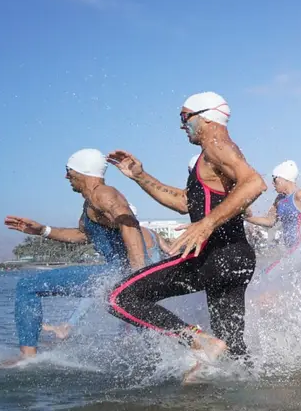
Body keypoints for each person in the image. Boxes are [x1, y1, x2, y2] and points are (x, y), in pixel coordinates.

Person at [107, 92, 267, 366]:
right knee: (232, 349)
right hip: (236, 258)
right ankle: (244, 391)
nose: (183, 126)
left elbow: (254, 183)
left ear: (205, 117)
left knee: (120, 298)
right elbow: (184, 202)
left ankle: (195, 339)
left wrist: (206, 224)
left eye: (185, 117)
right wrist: (140, 176)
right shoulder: (210, 157)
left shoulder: (217, 143)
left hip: (212, 257)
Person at [4, 149, 148, 359]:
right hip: (117, 272)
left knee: (27, 287)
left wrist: (139, 274)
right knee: (144, 321)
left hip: (119, 271)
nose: (66, 176)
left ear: (83, 171)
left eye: (69, 171)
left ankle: (27, 358)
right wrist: (42, 230)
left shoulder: (103, 193)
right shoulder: (91, 201)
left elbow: (129, 224)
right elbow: (83, 235)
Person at [244, 160, 301, 271]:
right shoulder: (279, 200)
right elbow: (269, 221)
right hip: (294, 249)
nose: (272, 184)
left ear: (284, 179)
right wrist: (247, 218)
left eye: (274, 179)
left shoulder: (300, 195)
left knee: (268, 277)